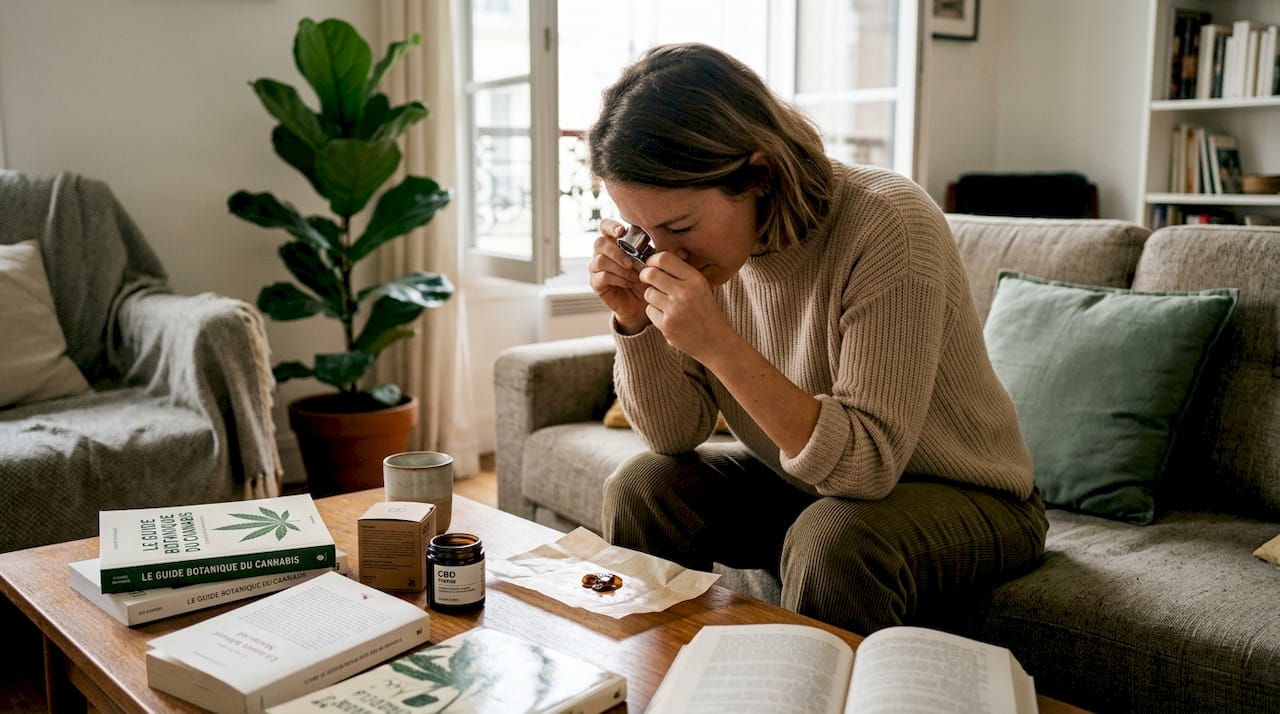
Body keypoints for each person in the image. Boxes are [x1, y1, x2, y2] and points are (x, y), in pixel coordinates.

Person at [586, 42, 1048, 635]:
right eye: (643, 232)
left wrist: (718, 343)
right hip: (808, 487)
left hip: (971, 496)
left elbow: (866, 469)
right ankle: (670, 682)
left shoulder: (889, 225)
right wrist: (635, 323)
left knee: (834, 539)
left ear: (759, 173)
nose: (663, 253)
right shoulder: (706, 260)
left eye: (679, 227)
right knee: (643, 486)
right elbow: (674, 436)